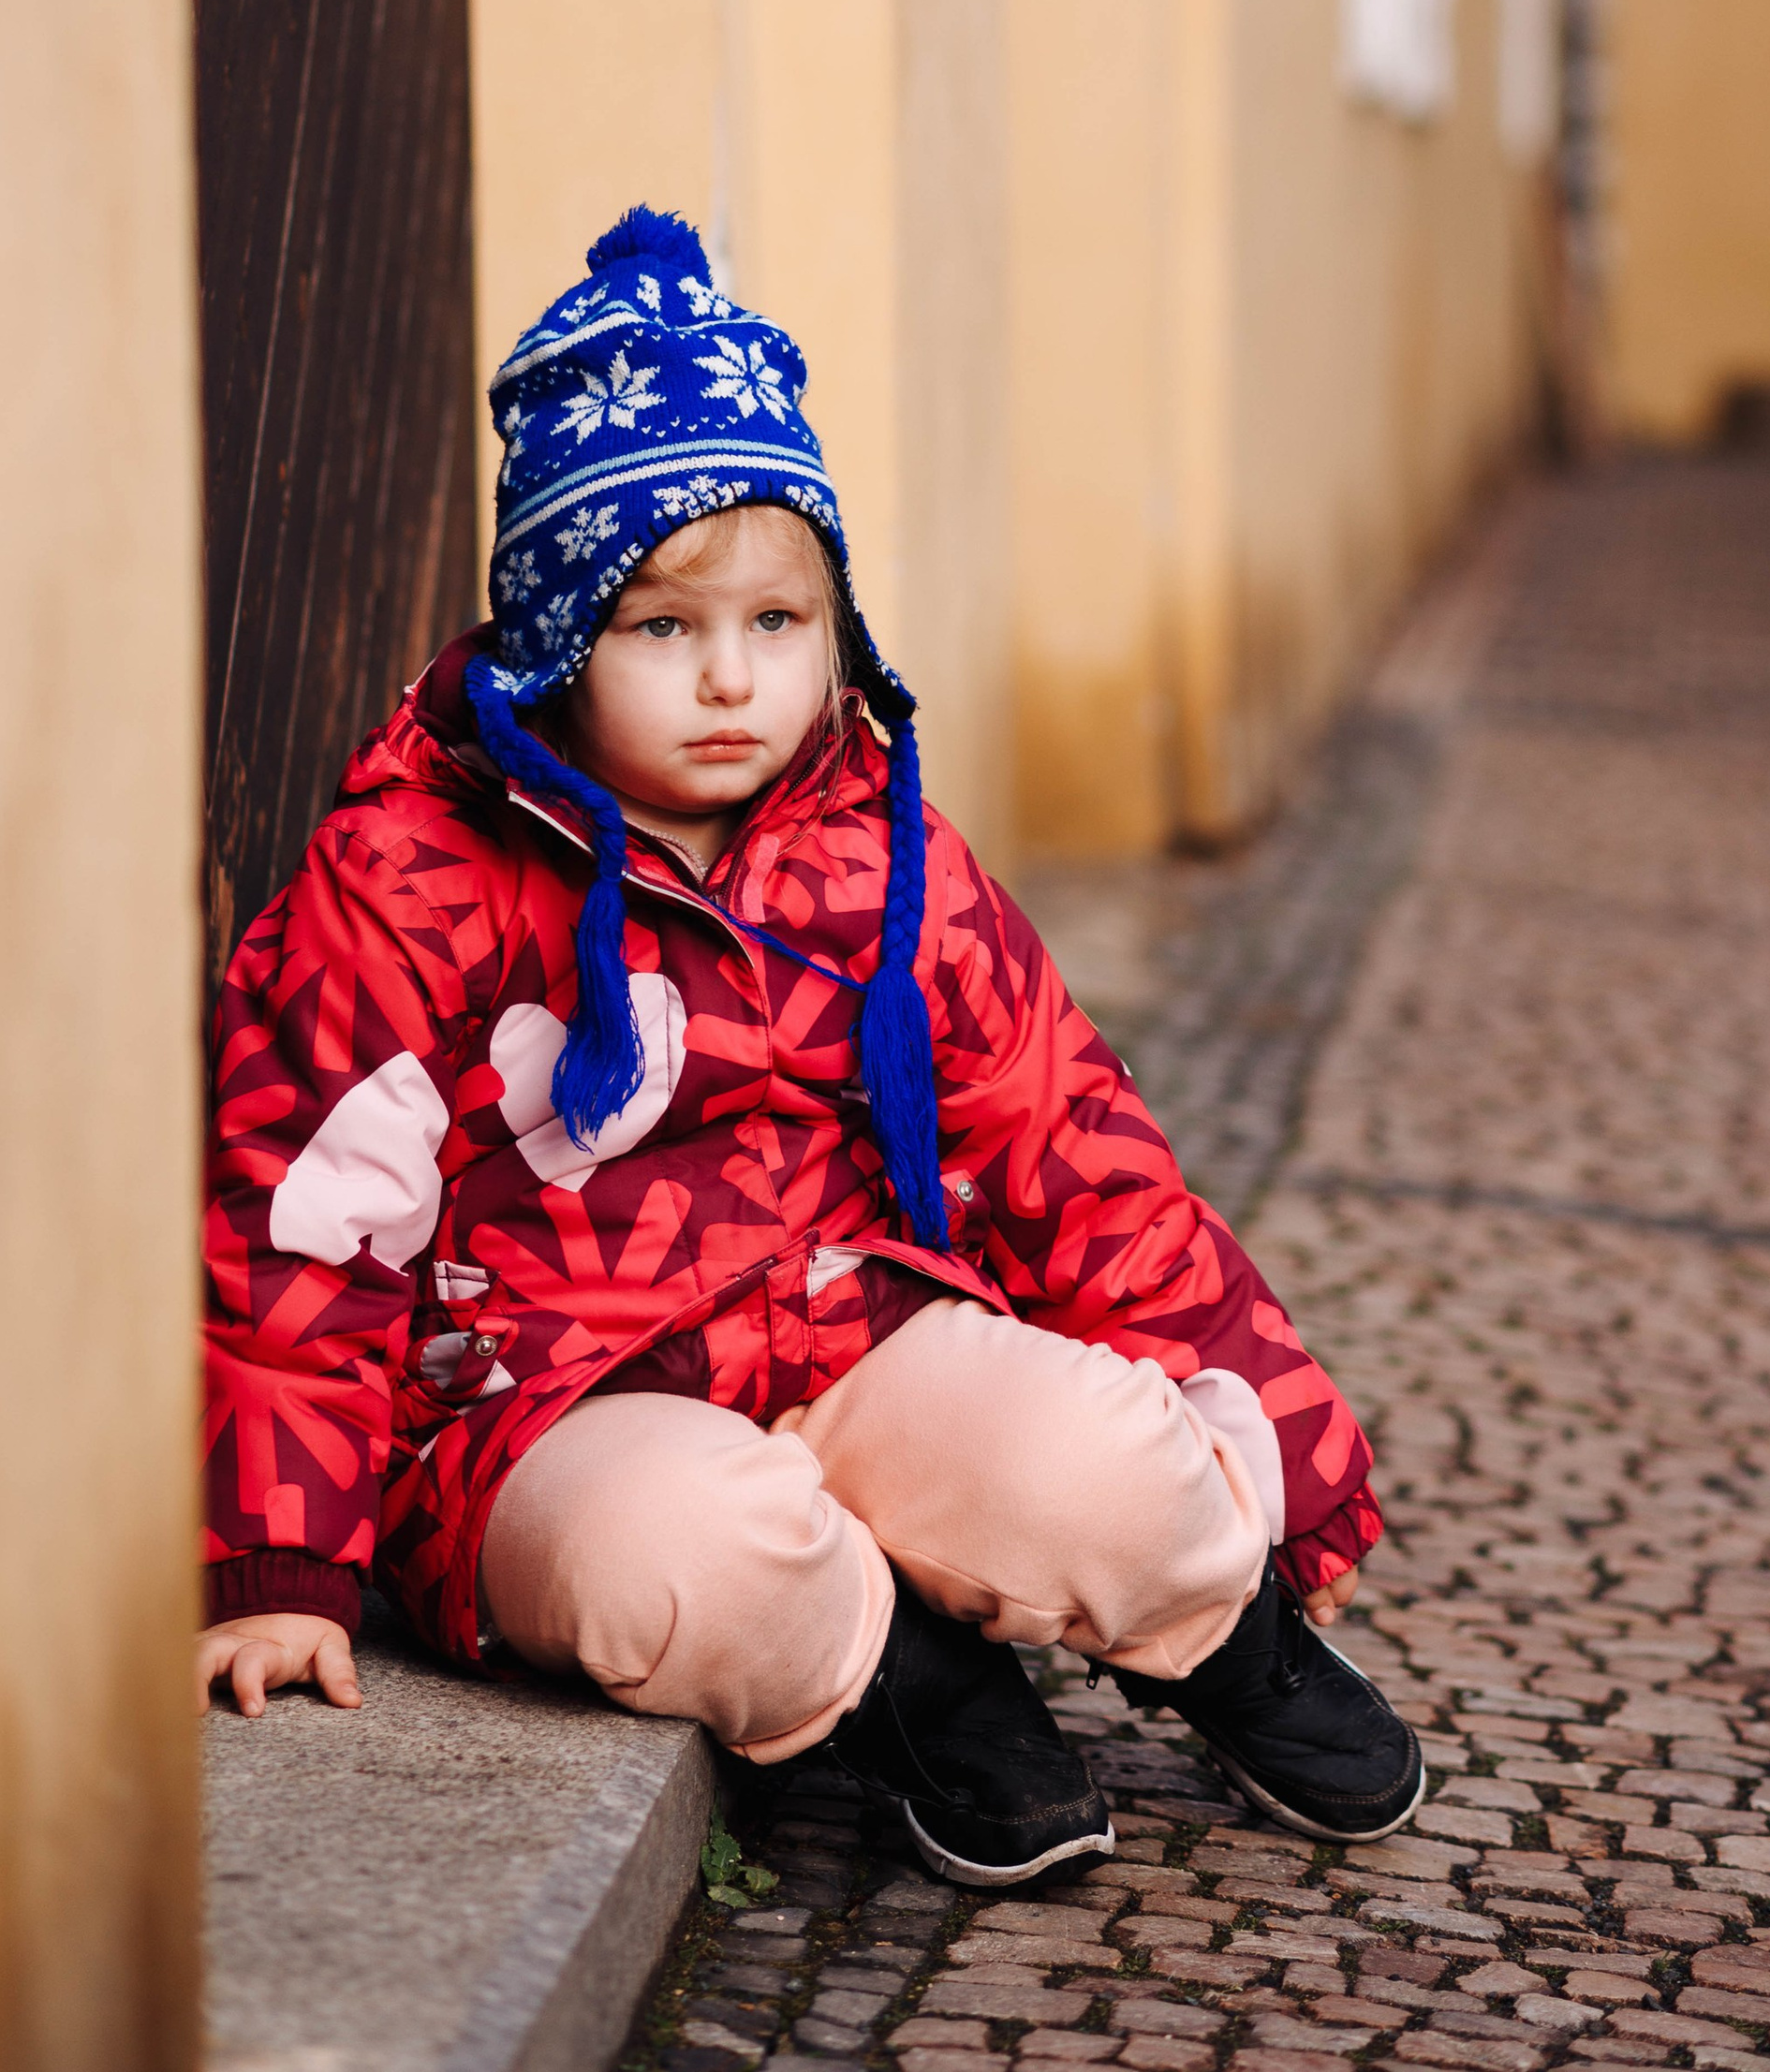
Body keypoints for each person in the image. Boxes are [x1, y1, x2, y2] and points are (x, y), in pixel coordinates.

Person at [198, 208, 1422, 1885]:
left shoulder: (877, 848)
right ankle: (899, 1674)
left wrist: (1294, 1454)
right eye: (661, 629)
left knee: (1102, 1459)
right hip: (549, 1402)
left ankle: (1228, 1633)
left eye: (778, 624)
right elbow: (303, 1228)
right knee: (670, 1558)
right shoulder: (414, 874)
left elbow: (1064, 1134)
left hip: (843, 1323)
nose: (730, 683)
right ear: (558, 637)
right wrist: (281, 1560)